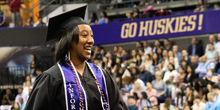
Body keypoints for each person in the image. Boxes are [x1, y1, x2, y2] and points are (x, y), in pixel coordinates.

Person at [25, 6, 128, 110]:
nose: (91, 40)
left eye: (91, 35)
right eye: (85, 35)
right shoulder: (52, 79)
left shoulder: (102, 77)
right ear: (69, 41)